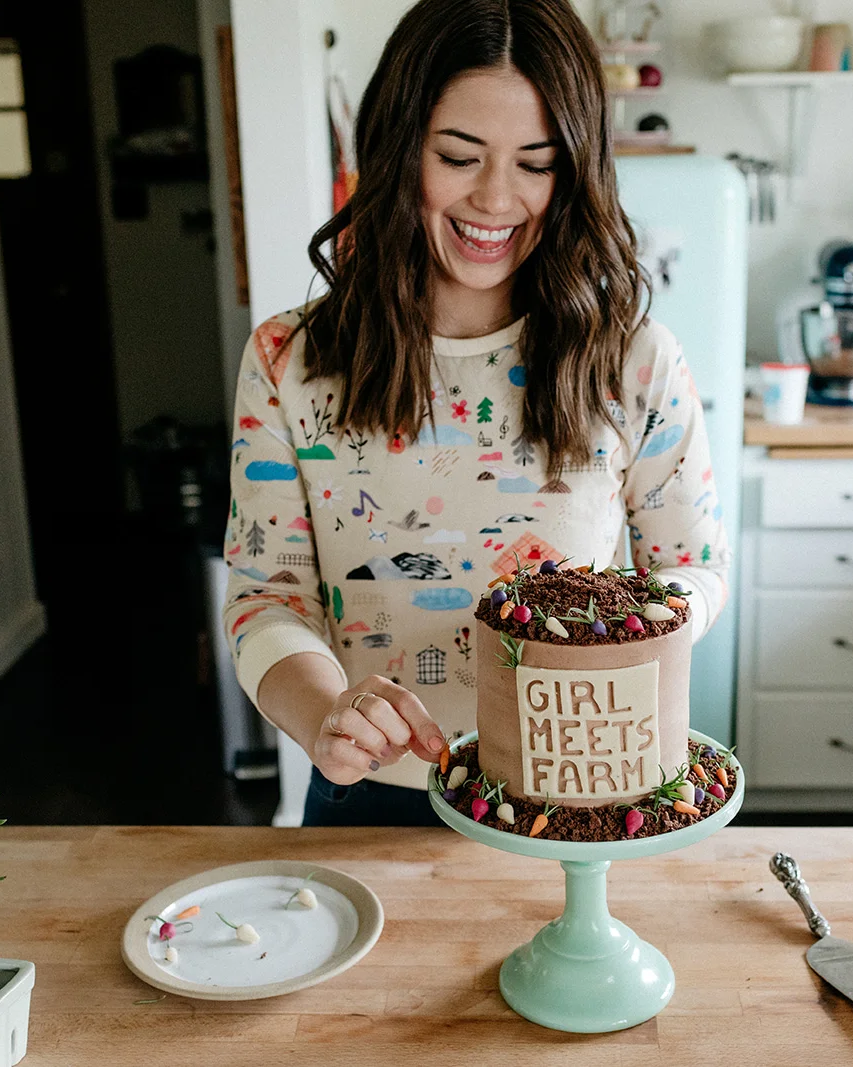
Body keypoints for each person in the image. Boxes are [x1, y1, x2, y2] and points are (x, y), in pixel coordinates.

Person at [223, 0, 729, 826]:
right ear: (396, 148)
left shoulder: (635, 362)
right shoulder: (290, 361)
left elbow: (696, 568)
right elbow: (266, 598)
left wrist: (627, 631)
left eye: (537, 163)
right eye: (459, 156)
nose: (497, 200)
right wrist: (327, 716)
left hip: (575, 806)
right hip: (371, 804)